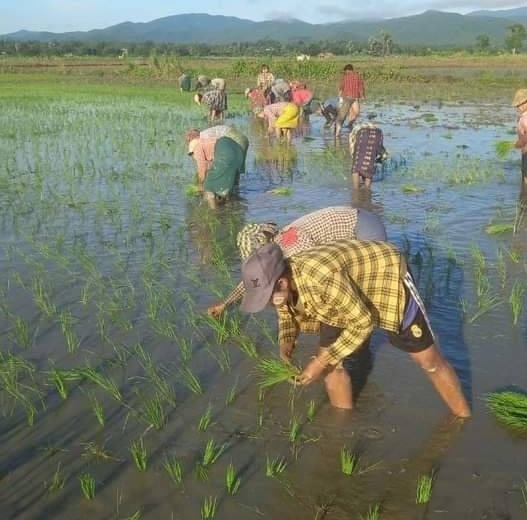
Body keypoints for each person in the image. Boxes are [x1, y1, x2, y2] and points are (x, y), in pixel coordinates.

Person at [240, 240, 471, 416]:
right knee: (331, 364)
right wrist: (286, 343)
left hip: (385, 277)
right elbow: (286, 313)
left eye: (268, 297)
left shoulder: (322, 278)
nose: (270, 303)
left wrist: (319, 363)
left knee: (428, 361)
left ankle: (463, 417)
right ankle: (343, 426)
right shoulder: (284, 287)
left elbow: (363, 322)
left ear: (282, 281)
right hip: (339, 294)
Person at [207, 206, 388, 318]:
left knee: (367, 288)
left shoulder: (292, 245)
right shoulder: (276, 251)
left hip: (363, 227)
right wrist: (226, 303)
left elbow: (320, 269)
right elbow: (256, 279)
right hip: (356, 223)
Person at [186, 128, 243, 207]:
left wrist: (200, 184)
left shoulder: (196, 146)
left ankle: (214, 213)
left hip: (227, 154)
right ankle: (231, 205)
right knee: (230, 186)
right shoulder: (207, 141)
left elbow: (202, 167)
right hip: (238, 152)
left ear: (190, 141)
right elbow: (212, 163)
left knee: (208, 187)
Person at [348, 121, 387, 187]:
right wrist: (379, 158)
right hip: (378, 133)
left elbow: (352, 150)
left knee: (356, 169)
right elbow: (381, 149)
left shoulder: (354, 133)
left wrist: (354, 159)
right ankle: (367, 189)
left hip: (363, 133)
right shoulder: (377, 130)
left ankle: (355, 189)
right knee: (369, 166)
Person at [335, 63, 365, 136]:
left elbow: (341, 87)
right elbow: (361, 86)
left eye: (345, 71)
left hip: (347, 97)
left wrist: (339, 96)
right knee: (356, 113)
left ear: (347, 70)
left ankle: (339, 131)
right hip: (355, 97)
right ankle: (348, 126)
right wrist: (363, 95)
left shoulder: (345, 77)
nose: (345, 72)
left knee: (343, 116)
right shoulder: (358, 76)